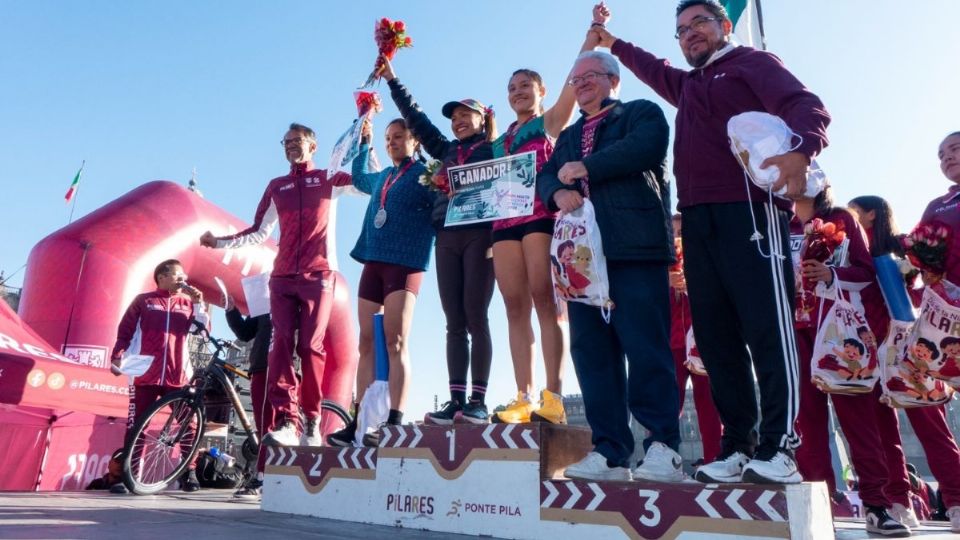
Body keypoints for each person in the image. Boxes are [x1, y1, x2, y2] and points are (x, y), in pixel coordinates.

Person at [593, 0, 831, 484]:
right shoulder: (688, 84)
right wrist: (611, 42)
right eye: (680, 30)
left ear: (725, 26)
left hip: (750, 212)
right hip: (698, 222)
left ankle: (780, 448)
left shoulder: (752, 64)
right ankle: (738, 447)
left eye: (698, 23)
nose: (688, 35)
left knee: (768, 329)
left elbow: (807, 106)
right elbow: (653, 69)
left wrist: (801, 150)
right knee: (718, 340)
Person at [537, 50, 681, 482]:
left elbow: (646, 148)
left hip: (633, 247)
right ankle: (610, 450)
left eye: (591, 75)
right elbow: (547, 174)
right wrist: (555, 194)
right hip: (581, 262)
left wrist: (588, 167)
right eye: (576, 78)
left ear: (613, 80)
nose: (581, 83)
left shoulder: (641, 113)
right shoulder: (567, 135)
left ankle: (662, 447)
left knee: (645, 347)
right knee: (592, 353)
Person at [200, 123, 352, 447]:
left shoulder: (328, 178)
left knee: (309, 346)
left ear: (314, 146)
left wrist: (364, 135)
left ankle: (311, 421)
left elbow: (366, 184)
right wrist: (219, 243)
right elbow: (258, 231)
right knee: (279, 344)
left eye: (298, 141)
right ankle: (286, 420)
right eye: (287, 142)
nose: (292, 146)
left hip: (319, 275)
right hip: (281, 277)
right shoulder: (276, 186)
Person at [491, 5, 604, 425]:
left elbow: (575, 82)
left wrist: (593, 34)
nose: (518, 91)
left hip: (540, 217)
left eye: (526, 85)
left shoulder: (548, 123)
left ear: (540, 92)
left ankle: (552, 396)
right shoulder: (500, 140)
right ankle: (522, 395)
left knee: (545, 300)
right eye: (512, 87)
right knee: (513, 306)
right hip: (502, 226)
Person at [379, 57, 497, 425]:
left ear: (483, 119)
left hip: (481, 236)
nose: (458, 120)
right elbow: (416, 119)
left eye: (467, 114)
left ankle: (479, 401)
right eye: (454, 117)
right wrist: (392, 79)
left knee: (477, 316)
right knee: (453, 321)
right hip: (446, 236)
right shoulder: (444, 150)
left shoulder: (496, 149)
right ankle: (456, 400)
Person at [791, 186, 910, 535]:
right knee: (807, 425)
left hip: (838, 331)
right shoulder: (776, 224)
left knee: (858, 421)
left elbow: (865, 270)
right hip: (794, 333)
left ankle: (877, 504)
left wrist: (832, 276)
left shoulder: (841, 218)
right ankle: (819, 507)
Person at [326, 117, 434, 447]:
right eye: (388, 139)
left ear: (414, 141)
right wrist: (364, 142)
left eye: (399, 137)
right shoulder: (383, 176)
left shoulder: (425, 176)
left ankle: (394, 422)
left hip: (405, 265)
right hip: (373, 262)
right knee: (365, 343)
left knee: (395, 341)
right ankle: (360, 421)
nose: (392, 143)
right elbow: (359, 177)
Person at [110, 259, 208, 493]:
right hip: (145, 373)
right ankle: (129, 476)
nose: (182, 279)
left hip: (179, 374)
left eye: (184, 275)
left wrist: (200, 305)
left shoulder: (188, 303)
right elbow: (125, 332)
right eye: (177, 275)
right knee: (136, 427)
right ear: (162, 276)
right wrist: (117, 355)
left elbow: (203, 333)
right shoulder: (144, 301)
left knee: (189, 424)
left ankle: (189, 473)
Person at [669, 214, 722, 463]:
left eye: (683, 231)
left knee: (709, 404)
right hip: (670, 341)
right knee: (668, 403)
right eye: (674, 232)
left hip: (701, 339)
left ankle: (714, 456)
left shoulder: (707, 256)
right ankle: (664, 458)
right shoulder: (661, 262)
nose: (679, 237)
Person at [223, 295, 270, 499]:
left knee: (274, 424)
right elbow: (245, 333)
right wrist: (231, 310)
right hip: (259, 366)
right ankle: (263, 475)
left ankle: (264, 477)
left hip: (284, 367)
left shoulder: (296, 297)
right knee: (263, 425)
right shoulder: (264, 302)